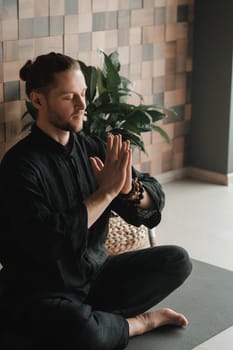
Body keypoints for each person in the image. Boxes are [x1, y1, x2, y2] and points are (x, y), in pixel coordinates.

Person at [0, 52, 192, 350]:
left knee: (177, 261)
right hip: (42, 291)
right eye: (69, 97)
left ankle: (99, 320)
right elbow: (47, 243)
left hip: (96, 276)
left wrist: (129, 192)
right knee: (79, 331)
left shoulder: (92, 146)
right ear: (38, 101)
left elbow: (152, 197)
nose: (82, 105)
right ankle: (137, 323)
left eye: (83, 94)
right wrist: (105, 193)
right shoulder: (19, 166)